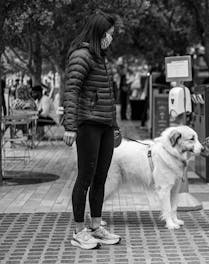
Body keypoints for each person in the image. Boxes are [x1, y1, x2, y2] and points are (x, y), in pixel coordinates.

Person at [63, 10, 121, 250]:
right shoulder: (81, 56)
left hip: (105, 125)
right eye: (109, 34)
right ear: (99, 33)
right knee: (85, 178)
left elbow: (109, 96)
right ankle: (79, 231)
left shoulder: (100, 57)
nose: (111, 38)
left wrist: (115, 126)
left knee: (101, 177)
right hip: (87, 124)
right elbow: (72, 91)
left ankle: (96, 226)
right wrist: (70, 126)